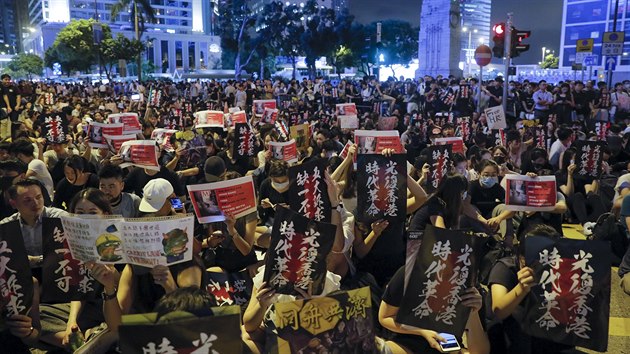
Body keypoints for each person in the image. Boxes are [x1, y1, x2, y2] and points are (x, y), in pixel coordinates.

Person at [488, 224, 575, 354]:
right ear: (521, 256)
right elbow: (499, 310)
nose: (540, 264)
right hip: (508, 333)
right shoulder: (505, 267)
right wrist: (521, 288)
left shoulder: (557, 270)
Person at [378, 266, 490, 354]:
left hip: (448, 346)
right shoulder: (410, 272)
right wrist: (421, 331)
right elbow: (385, 317)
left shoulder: (469, 287)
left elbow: (480, 351)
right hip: (408, 342)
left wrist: (473, 313)